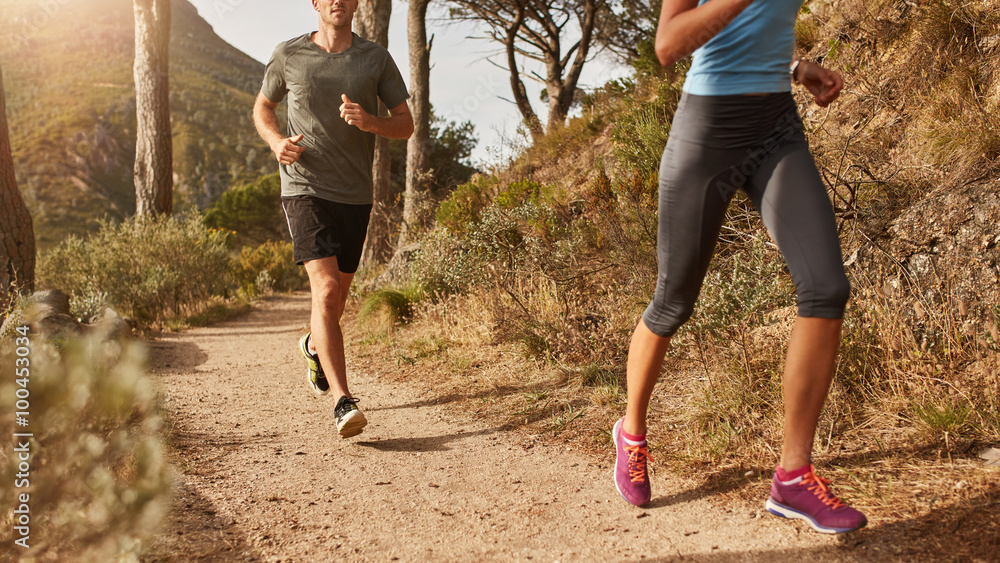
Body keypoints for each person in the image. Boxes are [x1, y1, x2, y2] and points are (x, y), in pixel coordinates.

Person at [611, 0, 868, 534]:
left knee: (826, 287)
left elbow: (764, 28)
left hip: (776, 125)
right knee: (674, 300)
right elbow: (668, 44)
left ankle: (794, 478)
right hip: (707, 131)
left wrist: (796, 68)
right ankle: (631, 431)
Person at [253, 0, 413, 438]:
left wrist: (369, 121)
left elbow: (406, 124)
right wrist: (275, 142)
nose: (338, 1)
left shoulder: (375, 59)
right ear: (317, 4)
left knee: (337, 301)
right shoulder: (290, 54)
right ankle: (344, 401)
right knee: (324, 291)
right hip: (303, 187)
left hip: (355, 195)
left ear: (357, 3)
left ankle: (312, 344)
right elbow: (262, 108)